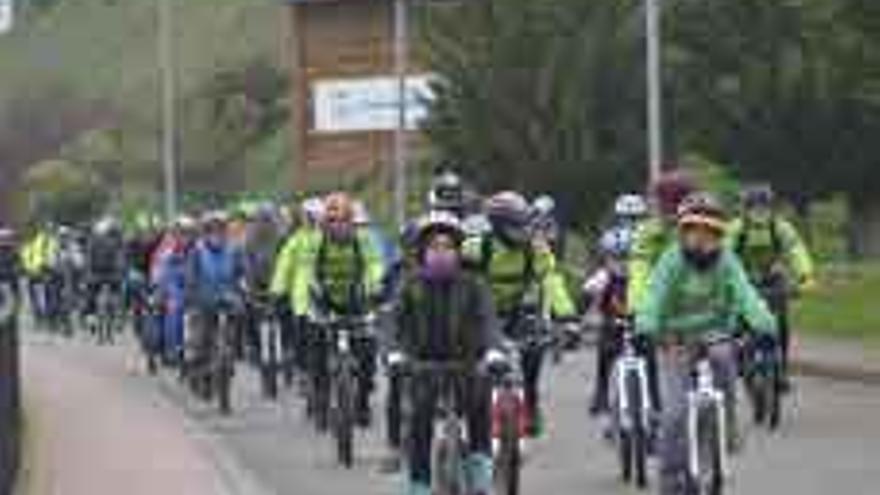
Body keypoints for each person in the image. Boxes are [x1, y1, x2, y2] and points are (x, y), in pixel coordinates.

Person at [635, 192, 778, 495]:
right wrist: (646, 327)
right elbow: (654, 296)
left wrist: (765, 325)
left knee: (724, 361)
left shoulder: (727, 261)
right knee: (674, 413)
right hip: (675, 341)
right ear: (682, 233)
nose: (701, 240)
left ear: (719, 235)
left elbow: (746, 294)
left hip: (716, 335)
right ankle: (671, 477)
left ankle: (727, 427)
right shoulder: (671, 261)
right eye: (693, 231)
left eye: (710, 232)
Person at [388, 211, 506, 495]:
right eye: (434, 247)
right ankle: (419, 484)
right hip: (423, 366)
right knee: (419, 420)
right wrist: (394, 352)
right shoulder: (410, 285)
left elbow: (488, 319)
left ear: (458, 251)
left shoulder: (474, 284)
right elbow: (393, 322)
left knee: (479, 408)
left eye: (448, 247)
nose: (441, 254)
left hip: (467, 364)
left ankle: (480, 475)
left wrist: (493, 351)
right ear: (422, 252)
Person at [464, 191, 576, 437]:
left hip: (517, 310)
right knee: (475, 363)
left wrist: (566, 314)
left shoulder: (534, 248)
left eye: (524, 225)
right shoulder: (476, 247)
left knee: (533, 348)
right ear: (497, 227)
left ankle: (531, 402)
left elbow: (550, 278)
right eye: (516, 227)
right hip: (483, 313)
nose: (523, 232)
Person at [292, 192, 384, 427]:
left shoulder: (363, 239)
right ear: (324, 223)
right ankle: (321, 398)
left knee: (367, 350)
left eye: (343, 220)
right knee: (317, 348)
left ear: (351, 221)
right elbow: (306, 269)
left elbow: (374, 264)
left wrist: (373, 286)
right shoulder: (316, 241)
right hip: (324, 300)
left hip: (357, 301)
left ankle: (362, 400)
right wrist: (309, 294)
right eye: (332, 222)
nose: (338, 226)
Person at [727, 184, 815, 389]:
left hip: (772, 279)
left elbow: (796, 250)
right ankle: (738, 359)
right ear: (744, 209)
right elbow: (725, 256)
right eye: (754, 207)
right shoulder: (735, 229)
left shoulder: (781, 227)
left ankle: (781, 368)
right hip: (743, 281)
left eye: (764, 207)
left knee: (781, 324)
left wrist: (805, 276)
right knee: (737, 323)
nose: (759, 212)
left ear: (771, 208)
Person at [186, 212, 245, 399]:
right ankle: (201, 372)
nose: (217, 235)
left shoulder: (233, 250)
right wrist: (193, 294)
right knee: (202, 339)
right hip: (205, 301)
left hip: (228, 300)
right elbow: (191, 277)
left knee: (236, 328)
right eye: (212, 231)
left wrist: (243, 288)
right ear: (206, 233)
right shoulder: (197, 251)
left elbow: (241, 273)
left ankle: (232, 357)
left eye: (220, 231)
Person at [583, 228, 631, 416]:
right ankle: (601, 392)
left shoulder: (642, 274)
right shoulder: (604, 276)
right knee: (605, 350)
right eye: (615, 258)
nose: (621, 263)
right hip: (612, 323)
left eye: (626, 257)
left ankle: (654, 397)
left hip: (640, 323)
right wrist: (585, 316)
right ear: (606, 258)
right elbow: (587, 291)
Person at [84, 217, 127, 335]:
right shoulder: (117, 240)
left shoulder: (93, 241)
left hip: (99, 274)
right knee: (117, 295)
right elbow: (121, 258)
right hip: (110, 274)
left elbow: (88, 259)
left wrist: (88, 274)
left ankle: (91, 319)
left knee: (90, 296)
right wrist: (121, 272)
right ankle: (117, 319)